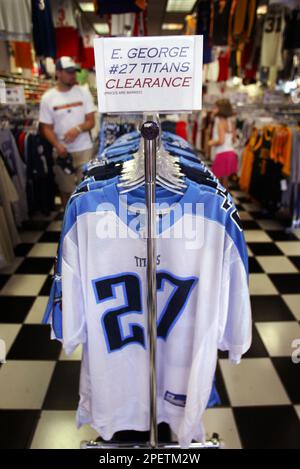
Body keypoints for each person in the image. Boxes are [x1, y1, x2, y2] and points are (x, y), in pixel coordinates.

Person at [39, 56, 96, 207]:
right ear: (58, 73)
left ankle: (85, 221)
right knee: (66, 190)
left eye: (74, 72)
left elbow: (91, 121)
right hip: (62, 152)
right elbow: (45, 127)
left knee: (86, 188)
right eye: (69, 72)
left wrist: (77, 129)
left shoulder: (83, 93)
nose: (73, 75)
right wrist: (57, 145)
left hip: (85, 149)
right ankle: (68, 222)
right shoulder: (48, 98)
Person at [208, 99, 237, 189]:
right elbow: (234, 139)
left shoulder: (220, 123)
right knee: (225, 183)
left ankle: (219, 202)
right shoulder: (230, 122)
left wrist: (211, 142)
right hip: (231, 153)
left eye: (215, 107)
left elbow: (221, 141)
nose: (213, 109)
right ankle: (226, 201)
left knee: (215, 182)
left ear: (221, 109)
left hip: (222, 154)